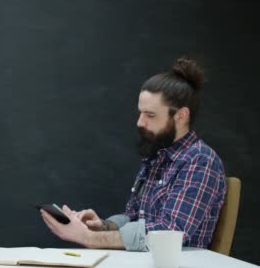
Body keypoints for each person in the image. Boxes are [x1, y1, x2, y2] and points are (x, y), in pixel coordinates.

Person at [41, 57, 226, 251]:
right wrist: (104, 227)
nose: (140, 122)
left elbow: (171, 232)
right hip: (142, 266)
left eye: (150, 115)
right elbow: (135, 215)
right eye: (140, 113)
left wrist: (89, 238)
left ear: (181, 115)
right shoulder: (156, 155)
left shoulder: (200, 161)